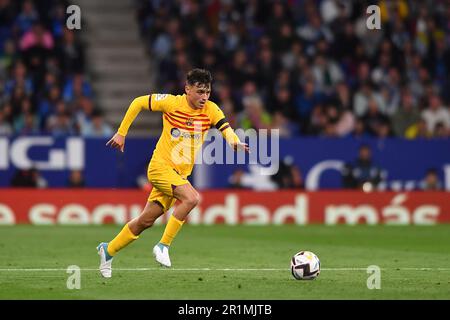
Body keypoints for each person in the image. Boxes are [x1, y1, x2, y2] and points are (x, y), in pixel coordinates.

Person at [97, 69, 249, 278]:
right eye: (199, 91)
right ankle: (163, 246)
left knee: (144, 222)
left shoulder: (211, 109)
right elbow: (138, 102)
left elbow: (225, 127)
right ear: (187, 89)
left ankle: (108, 250)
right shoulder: (171, 103)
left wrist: (233, 141)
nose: (204, 97)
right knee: (192, 198)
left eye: (207, 92)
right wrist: (122, 133)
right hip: (160, 168)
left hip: (178, 176)